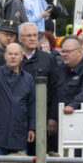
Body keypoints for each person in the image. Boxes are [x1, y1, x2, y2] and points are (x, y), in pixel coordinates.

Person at [0, 43, 36, 155]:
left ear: (21, 57)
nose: (13, 56)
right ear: (5, 56)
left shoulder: (28, 78)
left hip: (19, 132)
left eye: (16, 54)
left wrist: (32, 128)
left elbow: (32, 104)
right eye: (10, 54)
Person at [18, 22, 63, 152]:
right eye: (28, 35)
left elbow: (56, 88)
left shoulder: (48, 59)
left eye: (35, 35)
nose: (33, 38)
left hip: (43, 114)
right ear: (20, 38)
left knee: (42, 153)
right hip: (19, 116)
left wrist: (53, 117)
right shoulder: (13, 56)